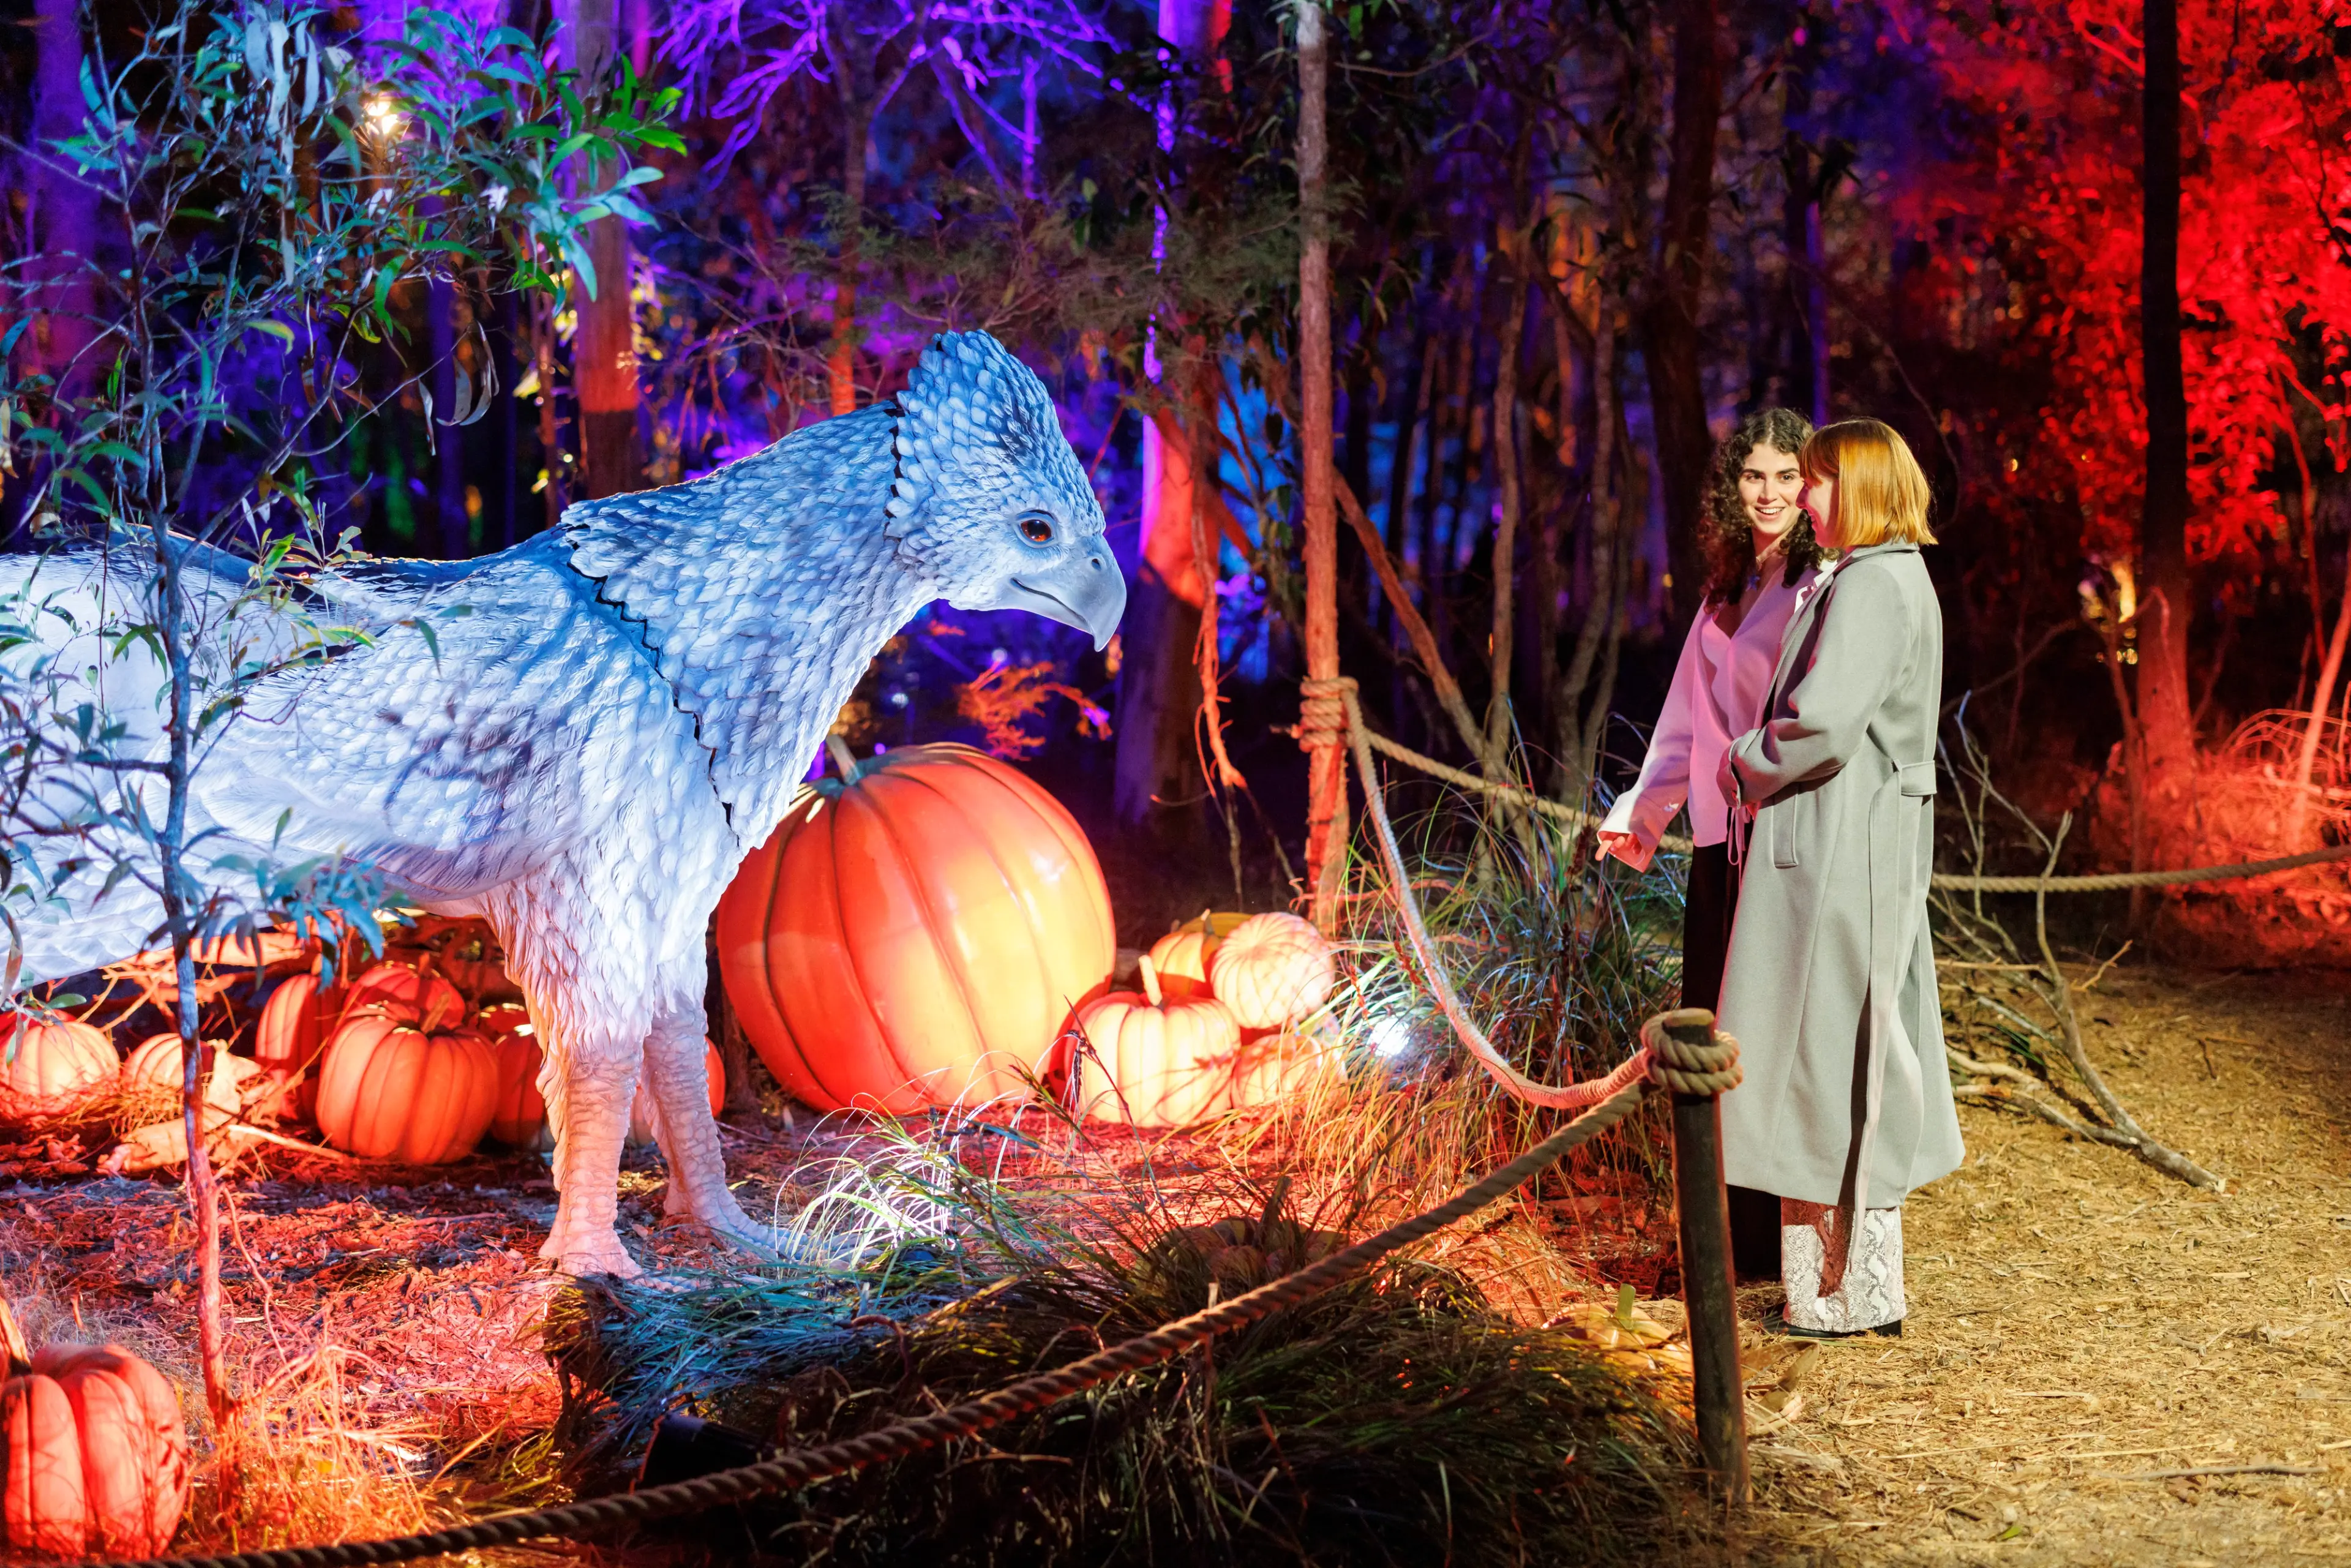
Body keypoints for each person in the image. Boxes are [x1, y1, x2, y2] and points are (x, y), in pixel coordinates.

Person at [1714, 418, 1963, 1338]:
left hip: (1840, 844)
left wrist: (1743, 762)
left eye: (1817, 482)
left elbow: (1819, 726)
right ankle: (1839, 1288)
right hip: (1853, 838)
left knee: (1832, 1056)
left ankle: (1845, 1293)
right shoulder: (1885, 577)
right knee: (1839, 1052)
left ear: (1856, 488)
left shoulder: (1872, 586)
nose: (1803, 499)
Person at [1595, 408, 1823, 1281]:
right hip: (1717, 845)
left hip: (1780, 841)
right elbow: (1686, 720)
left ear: (1811, 489)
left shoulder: (1817, 586)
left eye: (1785, 477)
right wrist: (1642, 813)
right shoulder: (1726, 589)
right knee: (1715, 1041)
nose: (1768, 494)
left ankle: (1775, 1249)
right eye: (1753, 477)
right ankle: (1720, 1244)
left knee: (1770, 1043)